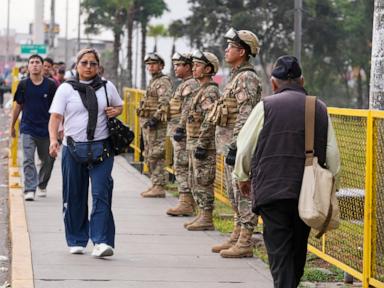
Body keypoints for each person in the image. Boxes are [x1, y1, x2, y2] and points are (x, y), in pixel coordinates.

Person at [233, 55, 340, 287]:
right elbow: (332, 155)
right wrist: (332, 186)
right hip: (307, 192)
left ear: (273, 83)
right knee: (298, 250)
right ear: (302, 81)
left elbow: (244, 149)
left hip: (271, 191)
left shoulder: (265, 106)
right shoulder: (319, 107)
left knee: (279, 252)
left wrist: (241, 177)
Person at [48, 48, 123, 257]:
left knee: (101, 193)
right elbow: (55, 117)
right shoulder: (66, 89)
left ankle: (101, 241)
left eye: (93, 63)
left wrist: (116, 110)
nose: (89, 67)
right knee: (74, 195)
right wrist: (54, 140)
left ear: (98, 66)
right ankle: (76, 238)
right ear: (76, 65)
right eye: (84, 63)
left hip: (102, 149)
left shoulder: (107, 87)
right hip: (73, 149)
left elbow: (120, 106)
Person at [210, 28, 262, 258]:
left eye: (230, 47)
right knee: (233, 193)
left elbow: (245, 113)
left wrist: (236, 145)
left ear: (241, 52)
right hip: (230, 145)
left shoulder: (247, 77)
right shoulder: (236, 76)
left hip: (238, 148)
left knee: (242, 193)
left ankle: (245, 241)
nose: (226, 50)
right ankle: (236, 234)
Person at [177, 50, 220, 231]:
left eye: (198, 65)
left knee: (203, 180)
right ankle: (201, 214)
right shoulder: (201, 89)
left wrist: (202, 143)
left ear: (208, 69)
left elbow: (210, 120)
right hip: (194, 141)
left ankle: (206, 217)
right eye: (193, 65)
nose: (194, 68)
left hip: (204, 144)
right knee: (195, 179)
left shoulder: (210, 91)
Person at [10, 54, 57, 201]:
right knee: (28, 159)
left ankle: (42, 185)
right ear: (28, 66)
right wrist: (12, 125)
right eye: (32, 62)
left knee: (48, 159)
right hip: (27, 128)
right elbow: (18, 105)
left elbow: (57, 109)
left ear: (43, 66)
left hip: (46, 129)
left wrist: (59, 129)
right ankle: (30, 188)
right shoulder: (23, 85)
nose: (35, 64)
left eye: (38, 62)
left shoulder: (50, 85)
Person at [166, 52, 199, 217]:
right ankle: (186, 201)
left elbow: (187, 108)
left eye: (179, 65)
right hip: (179, 131)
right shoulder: (184, 84)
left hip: (183, 133)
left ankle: (186, 202)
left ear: (188, 66)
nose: (175, 68)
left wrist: (180, 128)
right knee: (180, 164)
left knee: (182, 165)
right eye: (175, 65)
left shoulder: (190, 84)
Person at [137, 53, 173, 198]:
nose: (151, 67)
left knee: (156, 154)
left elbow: (165, 102)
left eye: (154, 64)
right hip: (149, 125)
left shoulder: (162, 82)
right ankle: (155, 183)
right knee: (149, 153)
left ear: (161, 66)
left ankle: (159, 186)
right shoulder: (153, 81)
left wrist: (155, 118)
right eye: (149, 64)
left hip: (156, 125)